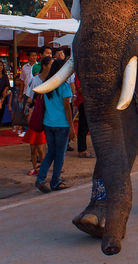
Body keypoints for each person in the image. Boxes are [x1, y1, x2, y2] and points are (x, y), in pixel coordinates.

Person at [34, 58, 76, 193]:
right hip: (62, 124)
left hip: (48, 122)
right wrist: (72, 127)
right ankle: (55, 181)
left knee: (50, 152)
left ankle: (40, 179)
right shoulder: (64, 87)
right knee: (60, 154)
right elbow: (67, 108)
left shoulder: (47, 84)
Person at [72, 73, 94, 158]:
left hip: (90, 101)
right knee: (83, 126)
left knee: (88, 126)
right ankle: (82, 150)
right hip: (84, 102)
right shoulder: (80, 74)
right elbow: (79, 89)